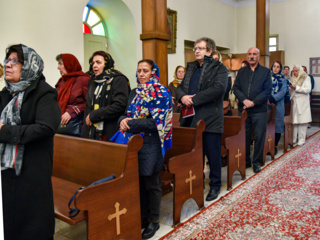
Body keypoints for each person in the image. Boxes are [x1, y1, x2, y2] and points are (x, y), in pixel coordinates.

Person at [0, 44, 61, 240]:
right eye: (7, 60)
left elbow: (45, 127)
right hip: (7, 169)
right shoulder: (6, 93)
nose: (8, 65)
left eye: (14, 61)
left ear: (29, 66)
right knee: (10, 219)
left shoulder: (44, 93)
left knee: (33, 224)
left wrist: (5, 131)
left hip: (32, 170)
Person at [111, 60, 172, 239]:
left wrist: (130, 124)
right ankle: (143, 217)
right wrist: (122, 120)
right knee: (137, 181)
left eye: (145, 71)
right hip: (133, 143)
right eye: (139, 71)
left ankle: (154, 221)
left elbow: (156, 123)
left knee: (151, 182)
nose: (141, 74)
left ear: (153, 72)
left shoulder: (161, 92)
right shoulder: (134, 92)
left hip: (152, 143)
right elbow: (125, 113)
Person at [176, 37, 228, 201]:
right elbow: (180, 87)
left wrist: (193, 99)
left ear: (209, 51)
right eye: (195, 48)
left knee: (213, 155)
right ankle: (197, 183)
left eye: (200, 48)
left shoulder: (220, 68)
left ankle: (215, 186)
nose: (197, 51)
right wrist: (182, 97)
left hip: (210, 118)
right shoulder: (191, 68)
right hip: (190, 118)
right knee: (195, 155)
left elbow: (218, 89)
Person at [233, 47, 272, 173]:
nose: (252, 56)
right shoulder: (242, 71)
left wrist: (253, 102)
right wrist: (244, 100)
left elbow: (267, 91)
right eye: (249, 54)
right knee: (244, 137)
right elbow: (236, 88)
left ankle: (256, 162)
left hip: (259, 110)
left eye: (254, 54)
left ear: (259, 56)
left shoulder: (265, 72)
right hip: (243, 110)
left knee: (259, 137)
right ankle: (246, 161)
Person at [81, 51, 130, 141]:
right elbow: (88, 106)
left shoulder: (118, 79)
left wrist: (95, 115)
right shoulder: (93, 81)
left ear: (107, 64)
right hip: (91, 131)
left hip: (110, 131)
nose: (94, 65)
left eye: (98, 62)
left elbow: (119, 105)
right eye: (93, 63)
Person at [55, 53, 90, 136]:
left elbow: (90, 104)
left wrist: (72, 111)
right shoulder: (62, 81)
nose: (58, 67)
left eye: (60, 64)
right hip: (59, 126)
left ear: (69, 64)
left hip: (76, 127)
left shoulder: (83, 80)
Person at [289, 65, 312, 146]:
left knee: (302, 121)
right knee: (295, 121)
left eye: (296, 71)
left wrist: (297, 88)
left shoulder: (306, 77)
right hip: (294, 101)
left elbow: (308, 89)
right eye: (293, 71)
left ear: (300, 71)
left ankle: (301, 139)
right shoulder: (292, 78)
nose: (294, 72)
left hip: (303, 102)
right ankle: (294, 139)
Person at [268, 61, 287, 155]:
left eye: (278, 67)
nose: (275, 68)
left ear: (280, 69)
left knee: (277, 126)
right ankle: (267, 146)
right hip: (267, 105)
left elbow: (283, 92)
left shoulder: (283, 80)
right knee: (268, 126)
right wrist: (268, 98)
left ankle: (274, 146)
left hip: (278, 105)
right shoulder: (267, 78)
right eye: (274, 66)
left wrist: (273, 98)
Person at [213, 50, 232, 116]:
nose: (214, 60)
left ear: (219, 59)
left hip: (222, 100)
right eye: (213, 58)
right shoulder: (207, 70)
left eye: (216, 59)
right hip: (210, 103)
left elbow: (228, 86)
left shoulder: (224, 69)